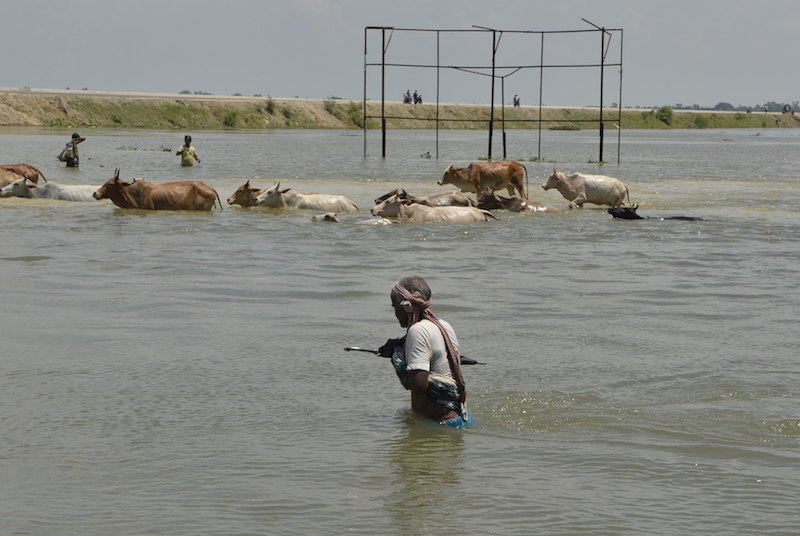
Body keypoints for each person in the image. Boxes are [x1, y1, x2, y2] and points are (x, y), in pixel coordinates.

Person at [379, 276, 475, 429]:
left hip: (440, 425)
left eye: (394, 307)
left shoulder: (417, 331)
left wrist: (396, 359)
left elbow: (419, 385)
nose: (395, 314)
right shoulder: (443, 325)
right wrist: (401, 345)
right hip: (462, 418)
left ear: (405, 306)